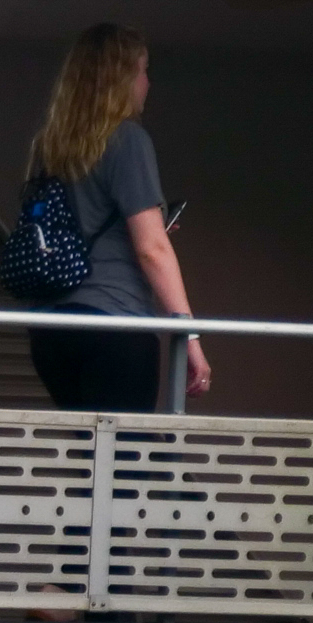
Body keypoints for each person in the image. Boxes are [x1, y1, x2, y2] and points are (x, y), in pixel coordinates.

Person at [18, 22, 210, 412]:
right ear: (121, 79)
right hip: (114, 323)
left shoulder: (48, 147)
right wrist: (188, 336)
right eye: (142, 70)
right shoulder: (126, 140)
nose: (147, 83)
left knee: (90, 459)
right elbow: (152, 248)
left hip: (51, 331)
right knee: (124, 462)